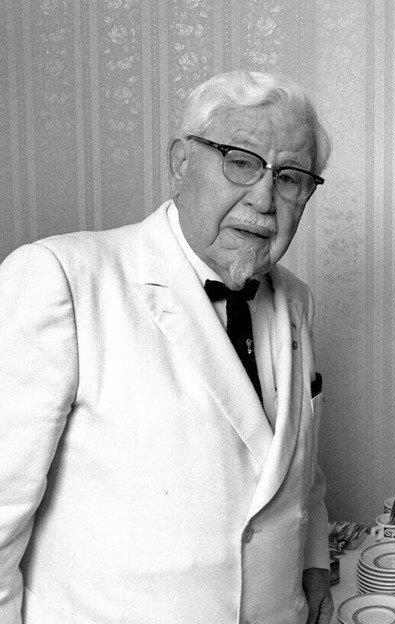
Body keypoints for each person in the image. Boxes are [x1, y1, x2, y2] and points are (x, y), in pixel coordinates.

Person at [0, 70, 333, 624]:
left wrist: (312, 563)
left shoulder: (295, 298)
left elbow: (297, 465)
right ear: (180, 163)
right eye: (240, 161)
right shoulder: (60, 279)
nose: (265, 199)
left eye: (292, 177)